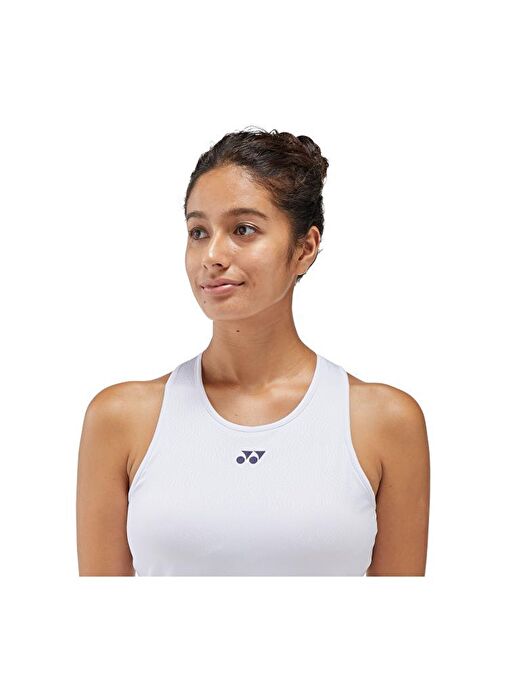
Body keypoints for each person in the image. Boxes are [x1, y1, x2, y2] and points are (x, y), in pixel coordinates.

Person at [76, 126, 430, 576]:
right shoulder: (120, 419)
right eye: (198, 231)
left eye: (243, 230)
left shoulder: (385, 422)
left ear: (305, 248)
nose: (212, 255)